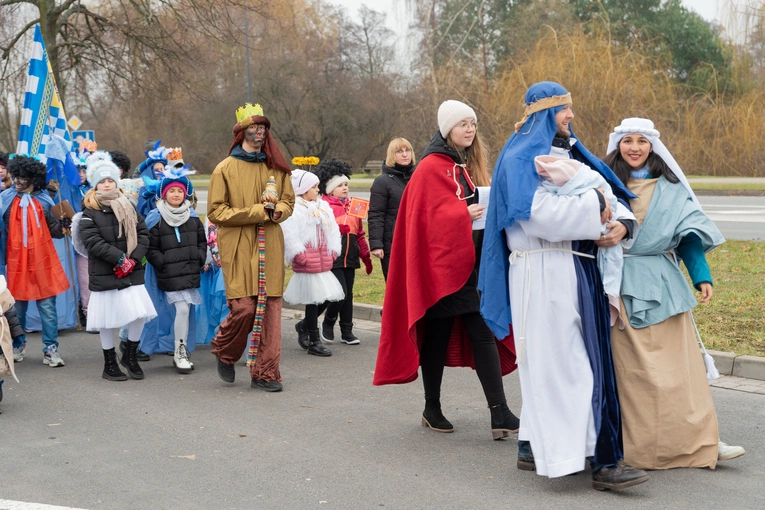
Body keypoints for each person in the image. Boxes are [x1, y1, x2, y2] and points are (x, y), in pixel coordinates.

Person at [479, 82, 648, 491]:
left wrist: (621, 224)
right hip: (544, 269)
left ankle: (535, 444)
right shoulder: (520, 157)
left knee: (568, 364)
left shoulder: (572, 154)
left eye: (570, 108)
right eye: (563, 109)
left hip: (578, 269)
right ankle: (589, 459)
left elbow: (613, 198)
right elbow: (536, 215)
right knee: (565, 367)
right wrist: (594, 208)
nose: (570, 116)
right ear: (544, 113)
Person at [604, 117, 745, 469]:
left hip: (664, 286)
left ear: (653, 145)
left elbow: (688, 238)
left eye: (641, 140)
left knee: (679, 372)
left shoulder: (671, 187)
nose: (634, 147)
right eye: (627, 140)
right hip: (615, 284)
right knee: (633, 374)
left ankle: (700, 441)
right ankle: (631, 446)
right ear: (618, 144)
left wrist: (701, 276)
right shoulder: (603, 182)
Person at [373, 100, 519, 440]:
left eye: (472, 123)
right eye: (462, 124)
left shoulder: (462, 165)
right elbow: (426, 219)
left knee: (475, 331)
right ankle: (435, 407)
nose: (469, 129)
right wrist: (462, 215)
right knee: (438, 337)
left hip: (468, 264)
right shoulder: (430, 167)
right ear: (447, 129)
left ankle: (496, 411)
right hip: (439, 269)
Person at [207, 103, 294, 392]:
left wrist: (277, 212)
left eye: (263, 129)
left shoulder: (276, 168)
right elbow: (216, 212)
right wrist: (257, 212)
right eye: (255, 128)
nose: (260, 133)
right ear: (243, 132)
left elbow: (288, 201)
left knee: (270, 308)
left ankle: (266, 373)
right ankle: (226, 351)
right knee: (244, 308)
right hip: (238, 245)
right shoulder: (224, 169)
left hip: (269, 242)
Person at [78, 151, 157, 381]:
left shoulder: (129, 206)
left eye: (110, 180)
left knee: (138, 314)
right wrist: (120, 259)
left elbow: (143, 234)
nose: (107, 184)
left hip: (131, 271)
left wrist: (133, 259)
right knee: (106, 319)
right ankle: (109, 363)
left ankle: (130, 355)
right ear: (95, 185)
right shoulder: (89, 211)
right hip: (106, 272)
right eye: (102, 181)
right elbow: (92, 242)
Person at [0, 155, 70, 367]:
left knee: (48, 307)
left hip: (42, 261)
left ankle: (51, 349)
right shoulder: (5, 199)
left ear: (33, 179)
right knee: (17, 307)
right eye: (17, 177)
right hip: (15, 262)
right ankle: (17, 344)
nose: (18, 182)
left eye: (23, 179)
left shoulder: (44, 201)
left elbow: (56, 232)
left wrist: (64, 224)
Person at [142, 165, 207, 373]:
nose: (176, 194)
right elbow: (149, 247)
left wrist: (198, 257)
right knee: (180, 309)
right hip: (167, 272)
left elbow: (201, 242)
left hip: (188, 272)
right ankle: (178, 350)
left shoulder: (193, 217)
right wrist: (162, 262)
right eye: (171, 191)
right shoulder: (155, 217)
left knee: (185, 311)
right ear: (164, 194)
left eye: (180, 190)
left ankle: (181, 349)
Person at [283, 170, 344, 357]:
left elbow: (333, 230)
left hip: (323, 260)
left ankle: (303, 326)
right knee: (312, 301)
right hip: (307, 261)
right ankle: (314, 341)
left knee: (330, 296)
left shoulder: (323, 207)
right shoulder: (295, 209)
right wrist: (299, 255)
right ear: (302, 189)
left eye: (317, 186)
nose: (318, 190)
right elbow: (290, 234)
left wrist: (334, 250)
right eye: (313, 187)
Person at [316, 159, 373, 345]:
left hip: (351, 255)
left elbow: (360, 233)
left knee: (348, 294)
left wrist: (366, 256)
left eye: (346, 184)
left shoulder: (355, 206)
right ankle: (328, 323)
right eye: (340, 185)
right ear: (330, 188)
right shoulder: (324, 206)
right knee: (340, 292)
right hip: (334, 256)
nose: (345, 188)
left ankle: (347, 331)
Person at [368, 138, 415, 280]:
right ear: (391, 155)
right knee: (397, 287)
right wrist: (376, 244)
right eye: (399, 151)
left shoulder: (418, 176)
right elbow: (376, 214)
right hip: (393, 244)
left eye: (407, 150)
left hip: (416, 241)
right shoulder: (382, 181)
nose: (405, 154)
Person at [0, 274, 24, 411]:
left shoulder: (1, 291)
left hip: (0, 337)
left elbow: (10, 315)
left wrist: (17, 334)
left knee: (0, 369)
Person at [136, 141, 171, 217]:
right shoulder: (143, 187)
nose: (159, 172)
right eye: (156, 169)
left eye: (161, 169)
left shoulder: (169, 184)